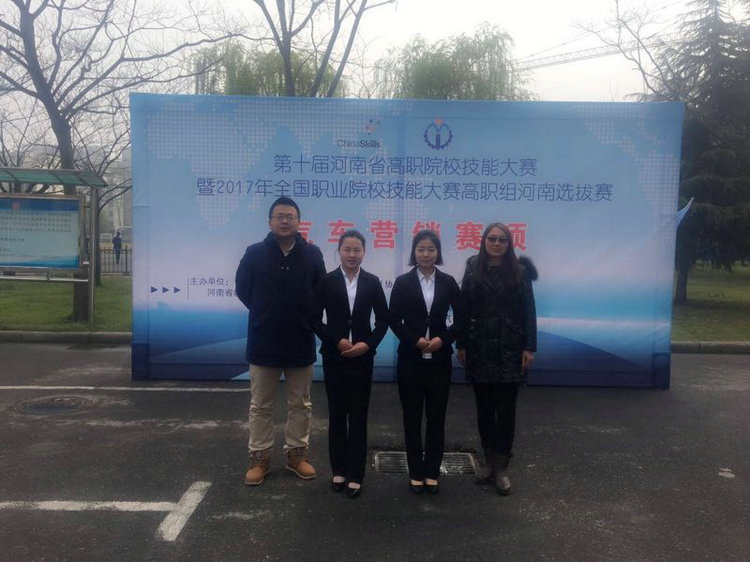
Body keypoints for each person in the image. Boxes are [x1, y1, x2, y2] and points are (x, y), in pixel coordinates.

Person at [235, 196, 326, 486]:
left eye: (290, 216)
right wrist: (265, 314)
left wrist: (304, 319)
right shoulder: (254, 253)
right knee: (260, 406)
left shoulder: (312, 254)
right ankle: (259, 458)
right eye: (279, 216)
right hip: (264, 341)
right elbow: (243, 290)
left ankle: (296, 455)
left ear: (299, 222)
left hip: (300, 340)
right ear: (270, 221)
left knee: (301, 404)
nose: (285, 221)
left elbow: (320, 292)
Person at [457, 223, 537, 495]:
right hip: (479, 347)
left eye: (502, 240)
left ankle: (501, 467)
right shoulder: (473, 268)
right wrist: (461, 343)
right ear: (484, 241)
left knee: (506, 411)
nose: (496, 243)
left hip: (510, 349)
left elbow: (529, 311)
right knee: (484, 409)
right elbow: (464, 309)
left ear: (509, 244)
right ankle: (488, 461)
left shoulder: (519, 271)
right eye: (492, 239)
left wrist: (529, 347)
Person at [312, 230, 389, 499]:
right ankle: (339, 470)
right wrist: (337, 341)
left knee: (358, 415)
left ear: (364, 252)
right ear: (339, 251)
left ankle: (356, 474)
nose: (352, 254)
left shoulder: (372, 282)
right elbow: (314, 319)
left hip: (362, 358)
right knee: (336, 414)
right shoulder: (326, 281)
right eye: (347, 249)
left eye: (357, 250)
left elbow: (383, 321)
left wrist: (367, 344)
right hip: (335, 357)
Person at [389, 230, 465, 495]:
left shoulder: (448, 282)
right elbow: (394, 319)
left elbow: (462, 317)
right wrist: (416, 341)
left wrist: (443, 339)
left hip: (440, 360)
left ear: (438, 252)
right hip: (411, 359)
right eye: (421, 249)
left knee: (436, 416)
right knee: (412, 416)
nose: (425, 254)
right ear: (414, 252)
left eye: (431, 249)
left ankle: (432, 471)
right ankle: (415, 471)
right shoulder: (403, 282)